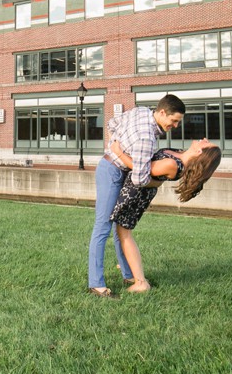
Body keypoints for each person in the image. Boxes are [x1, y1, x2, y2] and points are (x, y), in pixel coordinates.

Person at [87, 94, 186, 298]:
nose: (175, 125)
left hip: (114, 167)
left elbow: (112, 123)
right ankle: (96, 284)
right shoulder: (146, 138)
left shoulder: (141, 110)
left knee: (118, 226)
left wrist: (115, 145)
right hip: (112, 172)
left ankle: (129, 274)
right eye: (173, 120)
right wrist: (159, 182)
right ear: (161, 112)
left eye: (178, 121)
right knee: (103, 226)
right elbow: (140, 179)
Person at [108, 139, 221, 293]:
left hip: (134, 195)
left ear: (201, 152)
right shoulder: (180, 155)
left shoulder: (175, 165)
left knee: (124, 234)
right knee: (121, 233)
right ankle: (130, 272)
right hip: (134, 189)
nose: (204, 140)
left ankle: (141, 282)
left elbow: (140, 170)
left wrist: (118, 151)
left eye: (206, 143)